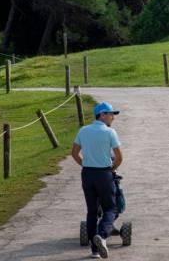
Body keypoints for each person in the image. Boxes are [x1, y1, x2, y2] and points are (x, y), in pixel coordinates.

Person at [71, 102, 123, 259]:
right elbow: (119, 157)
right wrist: (111, 169)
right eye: (110, 114)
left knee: (92, 211)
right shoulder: (110, 132)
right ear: (102, 115)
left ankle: (94, 251)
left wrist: (85, 165)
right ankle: (102, 235)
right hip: (104, 174)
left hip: (87, 174)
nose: (113, 117)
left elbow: (74, 153)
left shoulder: (83, 130)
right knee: (111, 209)